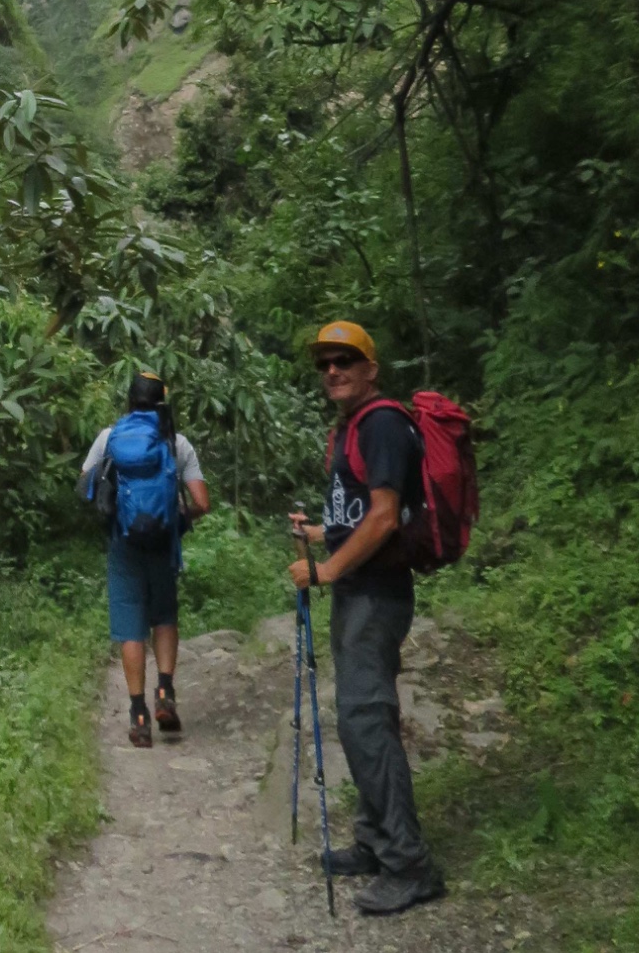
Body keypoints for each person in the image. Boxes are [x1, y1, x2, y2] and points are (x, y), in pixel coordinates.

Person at [288, 321, 446, 916]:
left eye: (344, 360)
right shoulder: (353, 426)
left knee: (365, 718)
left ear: (370, 368)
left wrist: (325, 571)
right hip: (361, 590)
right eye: (325, 362)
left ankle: (410, 865)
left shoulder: (381, 423)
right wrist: (318, 534)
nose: (332, 370)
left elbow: (383, 520)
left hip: (376, 595)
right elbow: (359, 518)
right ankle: (376, 841)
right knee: (358, 719)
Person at [84, 372, 211, 747]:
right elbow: (202, 502)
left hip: (123, 543)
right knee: (164, 615)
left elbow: (87, 484)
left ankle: (138, 714)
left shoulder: (109, 438)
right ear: (162, 404)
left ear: (129, 402)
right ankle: (165, 693)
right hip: (162, 543)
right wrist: (175, 518)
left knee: (129, 626)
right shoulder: (177, 443)